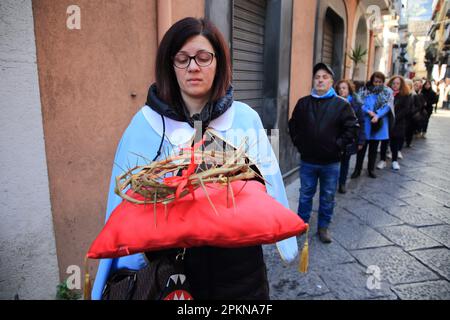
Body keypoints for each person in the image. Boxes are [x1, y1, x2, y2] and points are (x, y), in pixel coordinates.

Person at [91, 17, 298, 300]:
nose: (193, 66)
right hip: (172, 272)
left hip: (240, 268)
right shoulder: (145, 124)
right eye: (182, 58)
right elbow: (123, 202)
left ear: (218, 63)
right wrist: (129, 264)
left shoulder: (245, 118)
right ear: (170, 65)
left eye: (203, 57)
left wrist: (286, 245)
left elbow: (269, 179)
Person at [289, 63, 358, 243]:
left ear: (331, 82)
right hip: (308, 161)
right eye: (317, 77)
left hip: (331, 162)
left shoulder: (341, 105)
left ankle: (323, 227)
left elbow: (351, 128)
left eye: (324, 77)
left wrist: (338, 146)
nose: (320, 80)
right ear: (313, 80)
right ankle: (301, 224)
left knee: (327, 196)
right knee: (305, 194)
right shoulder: (303, 103)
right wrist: (300, 144)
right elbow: (293, 125)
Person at [351, 72, 394, 179]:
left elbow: (388, 106)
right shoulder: (364, 90)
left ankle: (371, 169)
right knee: (361, 148)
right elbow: (360, 103)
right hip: (366, 122)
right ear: (372, 80)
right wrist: (369, 112)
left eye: (380, 82)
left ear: (383, 82)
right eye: (375, 81)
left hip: (378, 123)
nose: (377, 84)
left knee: (374, 149)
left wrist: (378, 115)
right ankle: (357, 169)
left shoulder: (387, 91)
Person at [335, 79, 366, 193]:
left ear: (349, 90)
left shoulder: (356, 104)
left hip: (349, 138)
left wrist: (361, 141)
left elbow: (362, 122)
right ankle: (332, 182)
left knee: (345, 162)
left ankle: (342, 183)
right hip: (335, 138)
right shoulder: (333, 102)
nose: (341, 90)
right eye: (339, 88)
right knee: (334, 163)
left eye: (344, 88)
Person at [377, 76, 410, 171]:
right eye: (393, 83)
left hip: (398, 122)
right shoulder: (385, 94)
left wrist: (395, 117)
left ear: (401, 85)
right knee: (384, 141)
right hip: (386, 121)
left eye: (397, 83)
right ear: (390, 84)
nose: (395, 85)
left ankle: (394, 161)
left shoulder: (405, 95)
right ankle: (382, 160)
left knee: (394, 142)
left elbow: (406, 109)